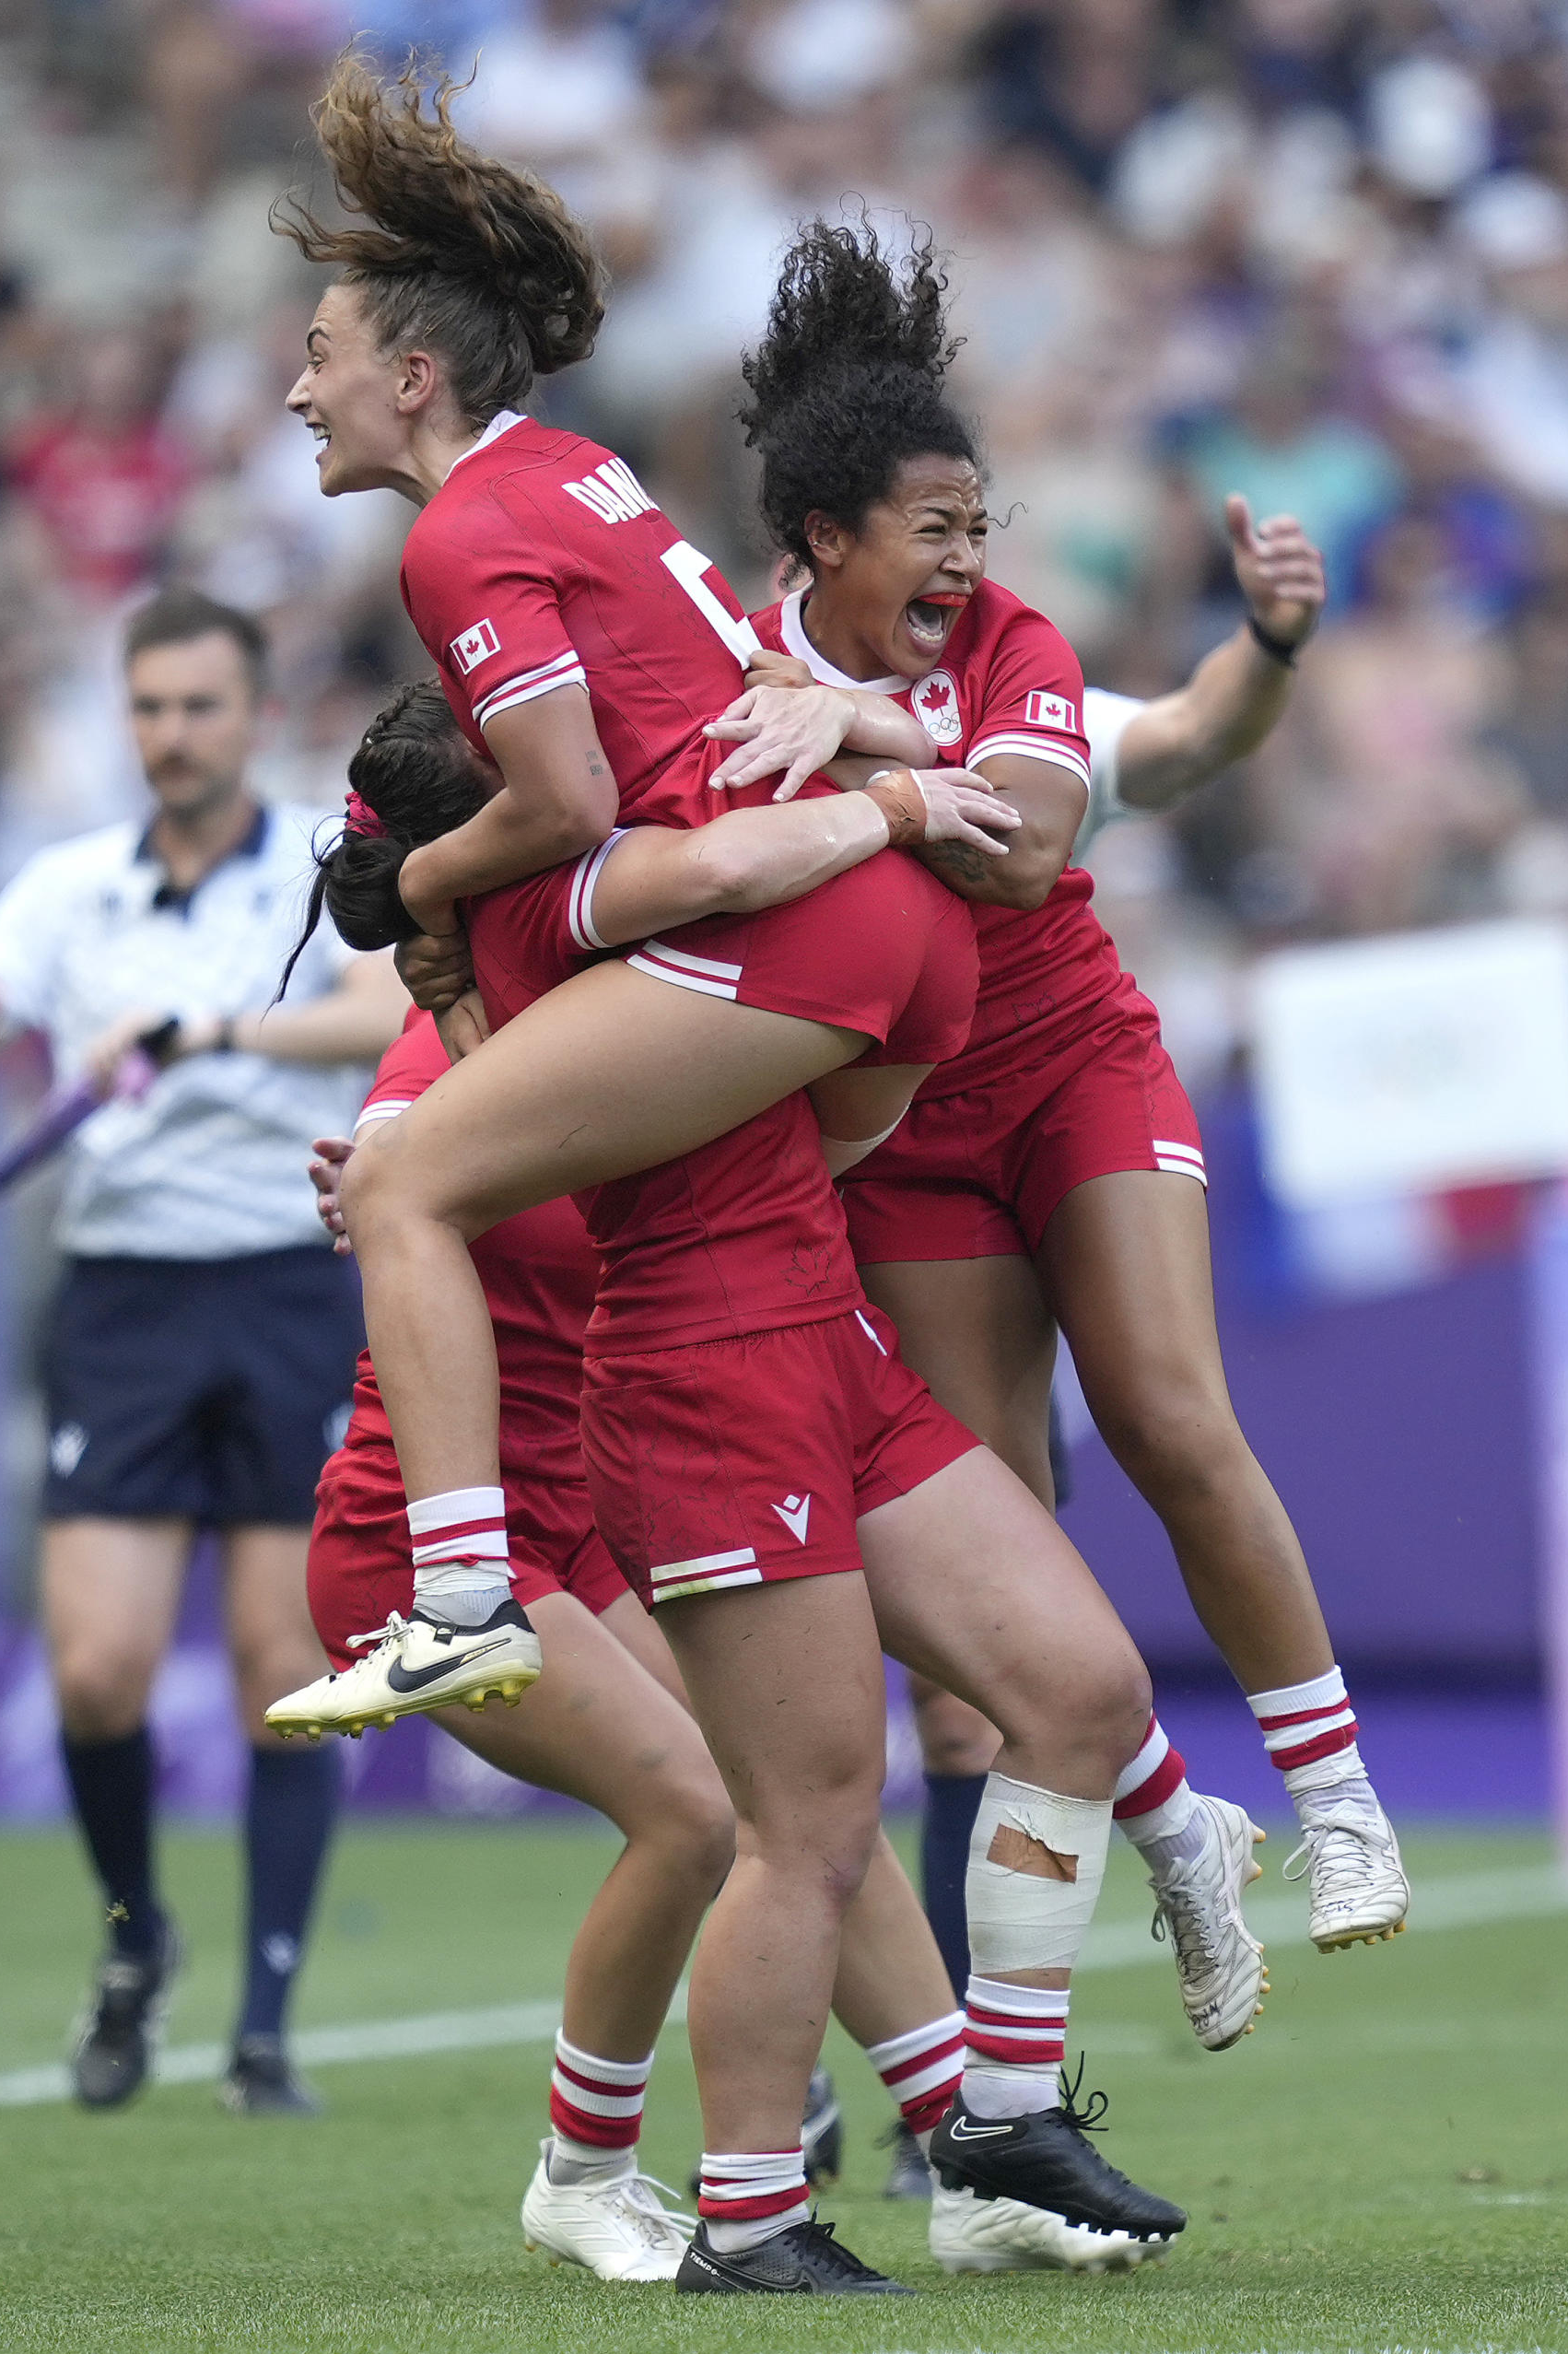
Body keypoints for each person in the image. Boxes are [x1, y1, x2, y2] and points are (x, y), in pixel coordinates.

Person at [281, 680, 1229, 2292]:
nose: (611, 784)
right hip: (485, 1518)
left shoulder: (615, 978)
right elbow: (417, 1168)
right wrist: (901, 807)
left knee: (835, 1794)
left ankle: (969, 2137)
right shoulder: (466, 1055)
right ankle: (609, 2174)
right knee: (730, 1813)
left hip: (620, 1483)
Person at [712, 223, 1409, 2031]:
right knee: (990, 1597)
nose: (972, 556)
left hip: (1070, 1060)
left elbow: (1032, 838)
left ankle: (1337, 1803)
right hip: (901, 1129)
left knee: (1174, 1416)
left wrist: (858, 734)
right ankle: (1134, 1898)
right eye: (940, 526)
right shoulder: (716, 661)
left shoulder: (1011, 642)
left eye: (977, 524)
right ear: (827, 539)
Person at [265, 53, 983, 1722]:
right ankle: (1122, 1787)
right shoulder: (580, 471)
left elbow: (575, 797)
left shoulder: (457, 539)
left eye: (318, 359)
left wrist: (432, 876)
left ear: (415, 375)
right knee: (743, 1262)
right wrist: (888, 751)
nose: (299, 395)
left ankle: (462, 1594)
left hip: (783, 914)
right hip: (863, 925)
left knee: (403, 1195)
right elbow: (725, 703)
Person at [0, 588, 406, 2118]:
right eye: (150, 708)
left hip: (285, 1279)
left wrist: (209, 1034)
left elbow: (382, 1007)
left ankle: (264, 2028)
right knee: (99, 1673)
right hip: (121, 1300)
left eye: (200, 706)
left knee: (277, 1674)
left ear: (251, 715)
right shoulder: (64, 891)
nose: (174, 734)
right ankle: (135, 1942)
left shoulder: (324, 861)